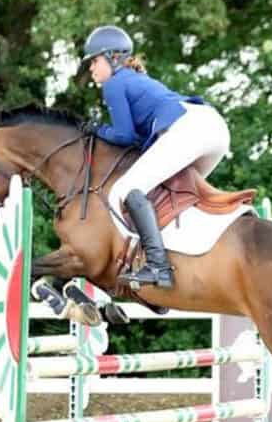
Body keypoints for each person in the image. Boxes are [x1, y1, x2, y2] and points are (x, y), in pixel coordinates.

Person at [81, 25, 231, 289]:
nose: (91, 68)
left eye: (94, 61)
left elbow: (125, 136)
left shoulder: (114, 84)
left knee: (127, 189)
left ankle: (159, 267)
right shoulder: (132, 79)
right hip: (214, 128)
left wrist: (95, 129)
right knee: (172, 193)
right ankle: (186, 254)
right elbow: (137, 139)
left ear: (113, 58)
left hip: (190, 128)